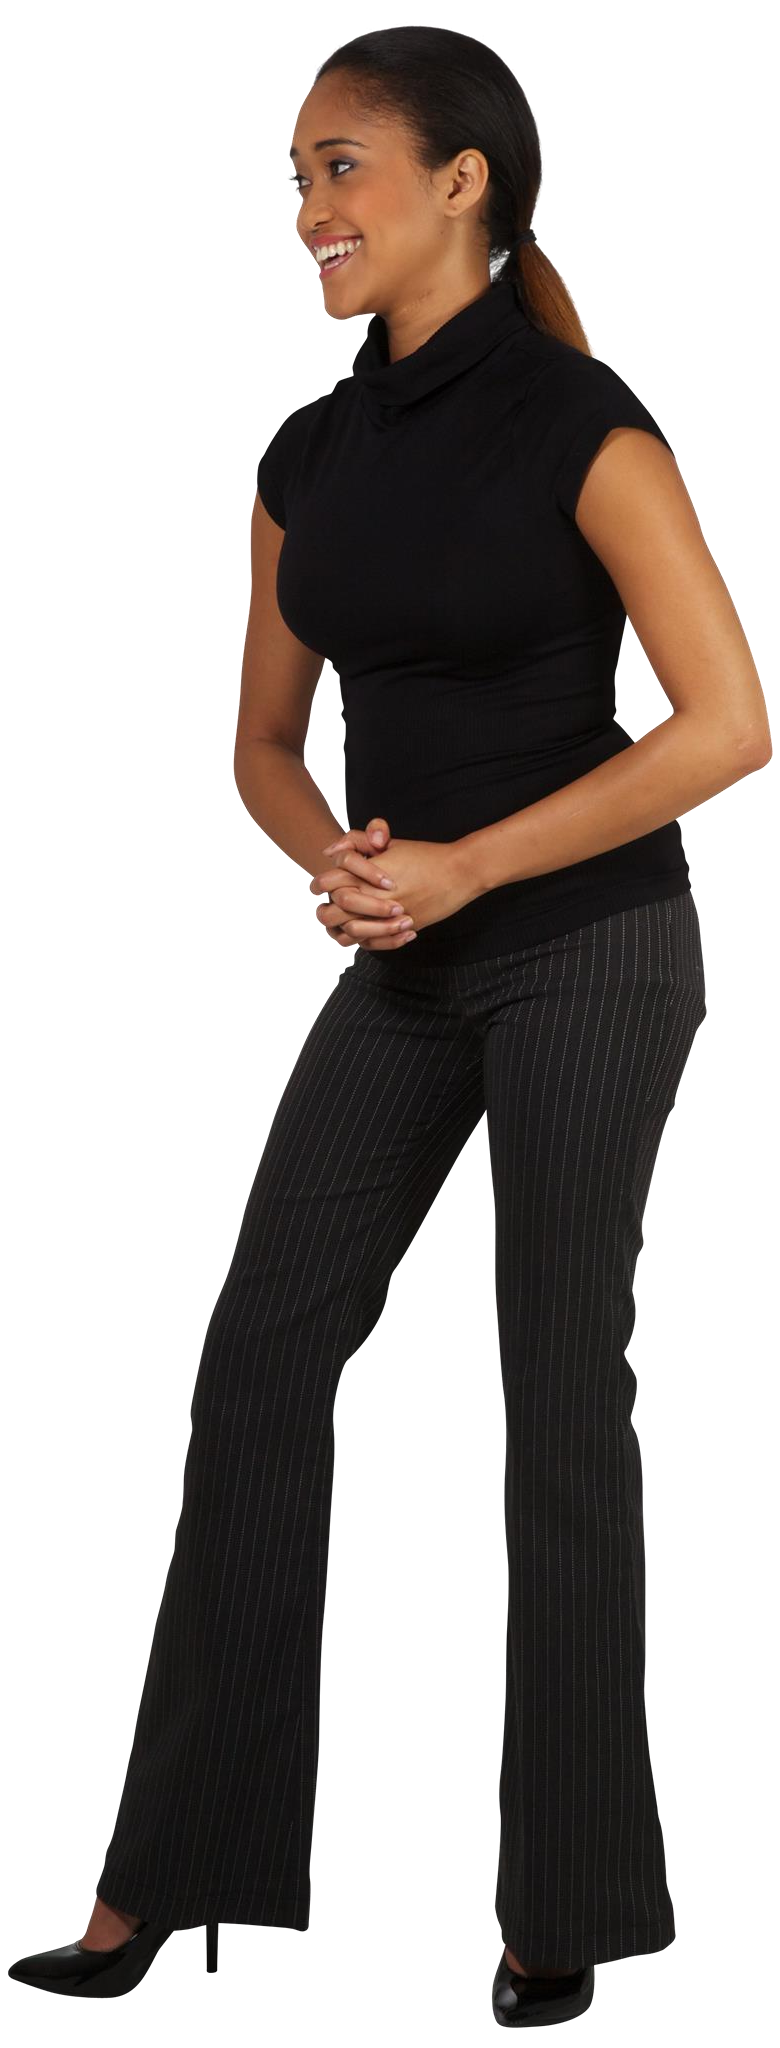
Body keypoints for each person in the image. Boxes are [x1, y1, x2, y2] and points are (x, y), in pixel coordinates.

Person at [10, 27, 770, 2014]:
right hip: (401, 957)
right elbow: (264, 745)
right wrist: (343, 869)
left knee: (556, 1397)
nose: (307, 214)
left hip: (594, 944)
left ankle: (566, 1910)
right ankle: (165, 1874)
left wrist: (467, 865)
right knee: (259, 1358)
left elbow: (730, 726)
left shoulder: (591, 428)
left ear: (461, 180)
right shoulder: (306, 456)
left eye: (339, 167)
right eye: (294, 180)